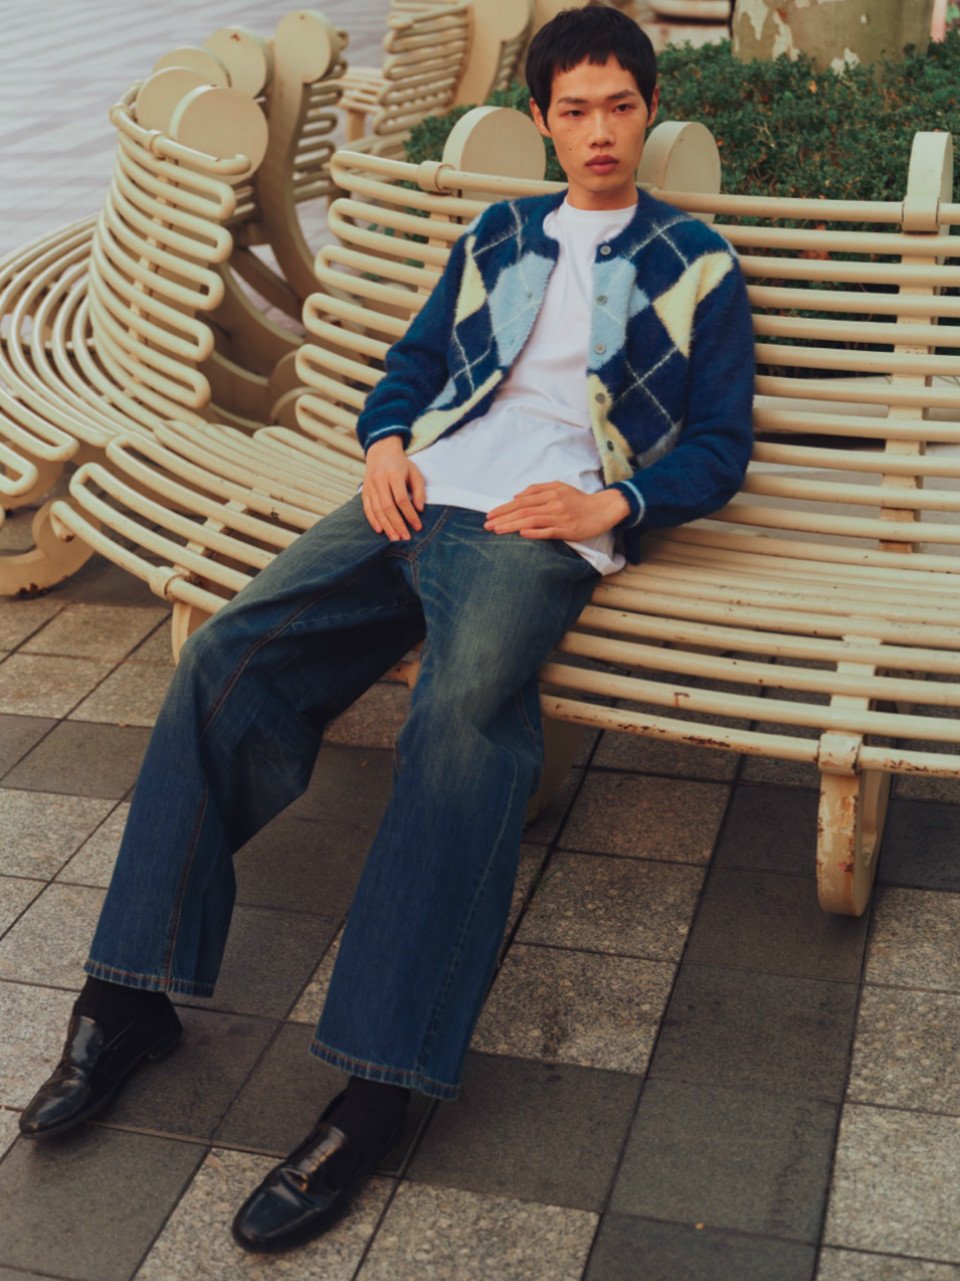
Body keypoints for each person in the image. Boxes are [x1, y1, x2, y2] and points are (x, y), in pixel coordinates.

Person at [19, 5, 754, 1255]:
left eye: (620, 107)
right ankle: (129, 996)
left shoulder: (695, 263)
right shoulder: (499, 233)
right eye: (574, 110)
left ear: (650, 112)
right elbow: (411, 369)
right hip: (414, 494)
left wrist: (612, 503)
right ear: (541, 119)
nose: (598, 132)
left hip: (536, 527)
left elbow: (722, 447)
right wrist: (384, 446)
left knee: (459, 720)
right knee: (227, 656)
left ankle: (377, 1086)